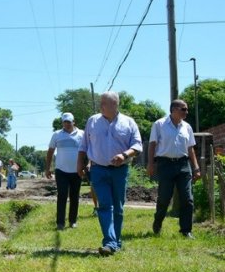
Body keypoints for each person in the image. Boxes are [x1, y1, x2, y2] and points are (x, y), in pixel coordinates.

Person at [77, 92, 142, 256]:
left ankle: (115, 242)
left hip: (120, 171)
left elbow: (137, 145)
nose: (101, 106)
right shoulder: (93, 121)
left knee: (118, 208)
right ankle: (110, 242)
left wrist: (124, 155)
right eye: (101, 103)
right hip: (98, 169)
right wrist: (80, 164)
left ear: (115, 105)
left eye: (104, 103)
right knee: (105, 205)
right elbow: (83, 145)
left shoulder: (129, 122)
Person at [147, 99, 201, 239]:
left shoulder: (187, 127)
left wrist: (196, 168)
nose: (186, 112)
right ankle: (158, 222)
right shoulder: (159, 124)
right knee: (164, 198)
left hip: (183, 165)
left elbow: (190, 149)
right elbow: (152, 145)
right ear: (173, 109)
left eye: (186, 109)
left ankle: (186, 230)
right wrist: (150, 164)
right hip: (165, 165)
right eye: (184, 109)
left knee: (187, 199)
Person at [46, 112, 84, 230]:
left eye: (69, 122)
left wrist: (86, 165)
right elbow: (50, 152)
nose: (67, 124)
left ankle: (72, 221)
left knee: (74, 196)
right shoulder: (57, 135)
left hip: (76, 170)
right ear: (62, 123)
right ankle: (60, 223)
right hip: (61, 170)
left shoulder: (81, 134)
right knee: (62, 196)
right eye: (65, 122)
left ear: (74, 122)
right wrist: (48, 168)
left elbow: (87, 151)